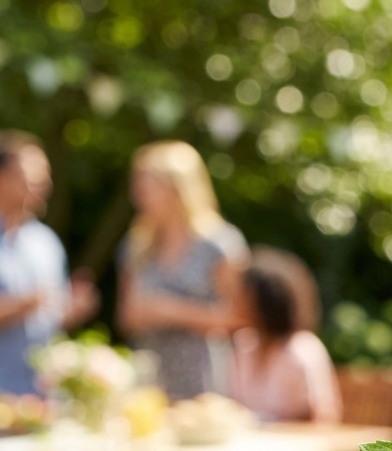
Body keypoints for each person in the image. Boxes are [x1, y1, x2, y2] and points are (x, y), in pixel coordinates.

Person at [117, 141, 247, 400]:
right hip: (150, 379)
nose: (139, 197)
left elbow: (241, 317)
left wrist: (172, 311)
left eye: (148, 188)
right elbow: (125, 318)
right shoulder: (137, 246)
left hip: (204, 379)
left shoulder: (220, 244)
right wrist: (141, 314)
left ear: (178, 189)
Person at [0, 130, 98, 395]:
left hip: (40, 398)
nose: (44, 187)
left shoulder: (45, 242)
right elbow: (32, 304)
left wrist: (73, 309)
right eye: (32, 178)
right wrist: (22, 304)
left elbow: (51, 320)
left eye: (45, 179)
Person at [229, 248, 342, 423]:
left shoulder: (302, 350)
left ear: (266, 302)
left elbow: (323, 418)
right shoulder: (244, 346)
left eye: (244, 297)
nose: (236, 302)